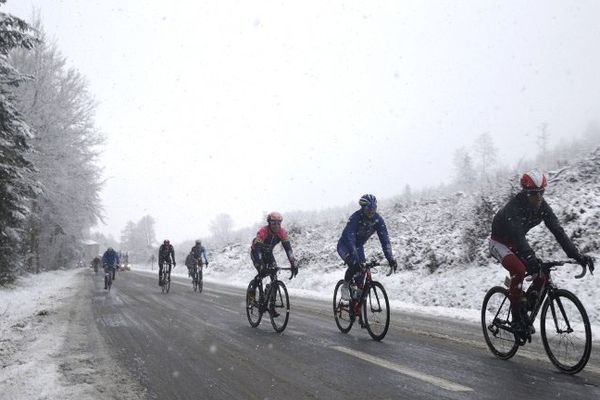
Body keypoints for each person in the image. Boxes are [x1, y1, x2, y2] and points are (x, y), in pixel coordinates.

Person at [489, 170, 594, 338]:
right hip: (499, 243)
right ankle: (516, 319)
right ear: (525, 192)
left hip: (515, 243)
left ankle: (524, 304)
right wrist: (530, 258)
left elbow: (558, 231)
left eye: (541, 193)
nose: (538, 198)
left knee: (542, 274)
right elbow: (518, 236)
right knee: (519, 270)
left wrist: (577, 255)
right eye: (533, 194)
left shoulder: (543, 206)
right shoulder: (513, 208)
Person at [337, 194, 397, 301]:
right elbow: (350, 240)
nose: (371, 211)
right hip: (345, 245)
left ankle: (358, 299)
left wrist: (390, 258)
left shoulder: (378, 220)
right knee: (354, 264)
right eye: (369, 208)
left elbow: (385, 240)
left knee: (362, 272)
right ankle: (345, 286)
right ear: (363, 208)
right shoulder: (355, 218)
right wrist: (355, 260)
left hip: (358, 246)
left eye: (374, 208)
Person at [248, 212, 298, 305]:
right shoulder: (263, 231)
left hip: (268, 253)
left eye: (278, 223)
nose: (276, 225)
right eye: (273, 223)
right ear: (269, 223)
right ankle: (251, 295)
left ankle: (271, 304)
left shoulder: (282, 233)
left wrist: (293, 262)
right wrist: (260, 263)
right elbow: (258, 248)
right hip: (256, 252)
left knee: (274, 274)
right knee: (262, 272)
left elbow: (288, 249)